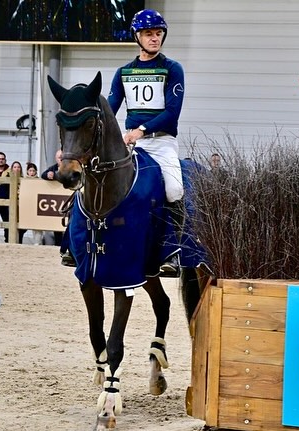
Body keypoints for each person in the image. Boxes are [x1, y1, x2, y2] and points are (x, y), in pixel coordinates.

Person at [108, 8, 185, 275]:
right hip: (132, 143)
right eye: (148, 34)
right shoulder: (123, 72)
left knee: (174, 189)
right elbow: (110, 108)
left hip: (161, 142)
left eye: (158, 33)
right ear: (137, 37)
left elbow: (172, 111)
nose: (154, 38)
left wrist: (141, 128)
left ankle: (173, 251)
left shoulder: (172, 69)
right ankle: (75, 244)